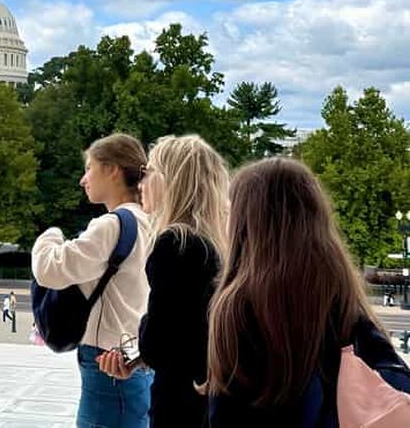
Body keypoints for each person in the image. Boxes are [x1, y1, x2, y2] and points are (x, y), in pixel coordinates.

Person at [204, 158, 410, 426]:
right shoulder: (337, 293)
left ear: (246, 227)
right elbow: (392, 377)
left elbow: (224, 413)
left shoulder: (236, 306)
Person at [98, 135, 229, 427]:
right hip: (212, 399)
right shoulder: (218, 244)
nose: (141, 183)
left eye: (149, 173)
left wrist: (142, 342)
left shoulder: (174, 244)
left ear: (171, 180)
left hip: (178, 404)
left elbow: (161, 344)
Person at [32, 133, 154, 427]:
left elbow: (49, 269)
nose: (83, 179)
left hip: (108, 361)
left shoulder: (111, 225)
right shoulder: (149, 219)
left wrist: (50, 236)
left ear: (112, 169)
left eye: (89, 168)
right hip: (134, 354)